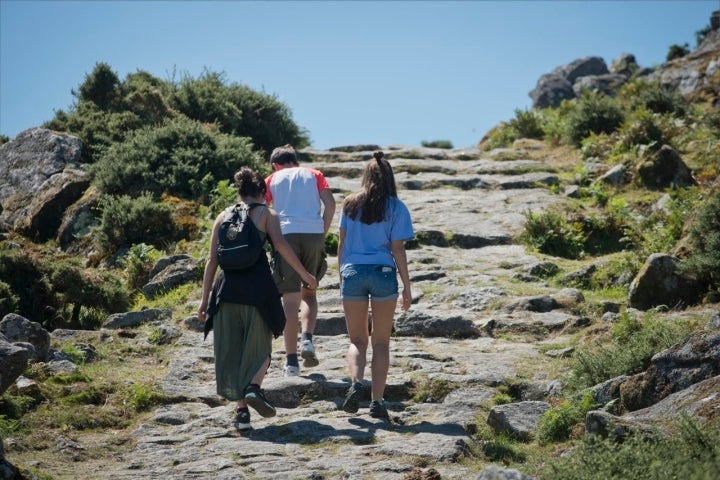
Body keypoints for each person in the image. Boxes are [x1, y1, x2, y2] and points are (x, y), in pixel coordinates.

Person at [198, 167, 318, 431]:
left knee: (232, 351)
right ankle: (254, 386)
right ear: (263, 192)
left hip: (225, 290)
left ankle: (241, 413)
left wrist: (204, 300)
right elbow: (281, 247)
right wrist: (305, 274)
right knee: (261, 345)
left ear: (239, 193)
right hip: (258, 290)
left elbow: (212, 260)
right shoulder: (267, 214)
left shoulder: (222, 216)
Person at [337, 150, 414, 420]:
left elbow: (342, 244)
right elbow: (398, 248)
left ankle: (356, 383)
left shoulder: (349, 205)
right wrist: (406, 285)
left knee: (357, 340)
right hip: (383, 272)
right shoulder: (396, 207)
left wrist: (341, 275)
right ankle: (377, 403)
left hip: (353, 272)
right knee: (381, 342)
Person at [265, 144, 336, 377]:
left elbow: (262, 210)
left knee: (290, 302)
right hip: (313, 233)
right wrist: (321, 231)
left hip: (285, 235)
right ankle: (307, 339)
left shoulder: (271, 179)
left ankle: (292, 363)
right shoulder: (314, 174)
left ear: (276, 165)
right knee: (310, 292)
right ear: (295, 161)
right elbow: (331, 204)